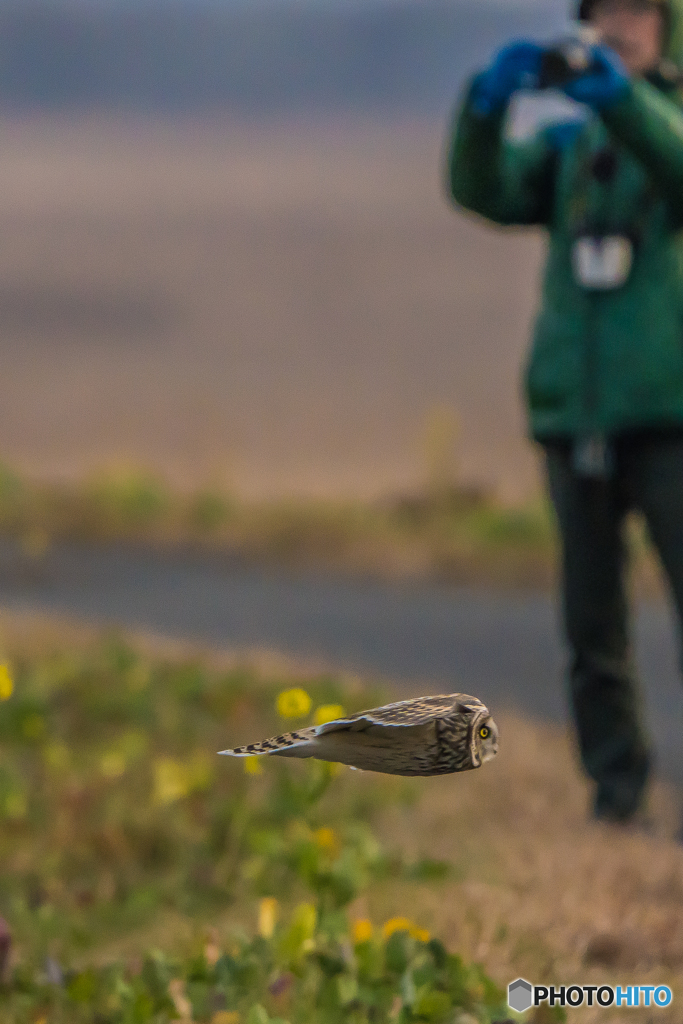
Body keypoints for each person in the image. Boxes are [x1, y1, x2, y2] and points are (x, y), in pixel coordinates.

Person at [446, 0, 683, 823]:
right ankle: (616, 795)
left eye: (638, 12)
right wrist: (485, 107)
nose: (619, 26)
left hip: (668, 412)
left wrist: (622, 99)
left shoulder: (666, 128)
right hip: (575, 414)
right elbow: (481, 189)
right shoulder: (568, 150)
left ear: (667, 27)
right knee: (591, 628)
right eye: (603, 12)